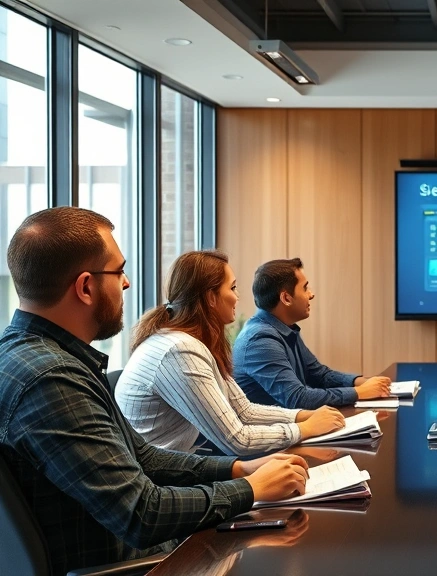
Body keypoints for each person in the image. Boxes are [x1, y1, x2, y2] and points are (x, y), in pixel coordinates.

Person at [0, 207, 309, 576]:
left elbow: (145, 457)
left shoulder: (40, 355)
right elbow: (141, 514)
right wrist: (251, 490)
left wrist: (239, 468)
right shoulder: (51, 379)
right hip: (137, 564)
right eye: (118, 271)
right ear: (85, 287)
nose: (127, 282)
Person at [117, 251, 346, 456]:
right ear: (211, 298)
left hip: (185, 461)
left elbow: (243, 411)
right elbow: (237, 440)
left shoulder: (188, 342)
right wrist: (304, 428)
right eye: (233, 288)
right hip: (162, 481)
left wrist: (303, 417)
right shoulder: (179, 350)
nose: (237, 297)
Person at [233, 258, 391, 409]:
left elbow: (319, 375)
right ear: (286, 298)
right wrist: (359, 393)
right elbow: (297, 398)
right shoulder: (259, 340)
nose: (311, 294)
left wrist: (362, 382)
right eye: (305, 288)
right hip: (271, 434)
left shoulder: (283, 327)